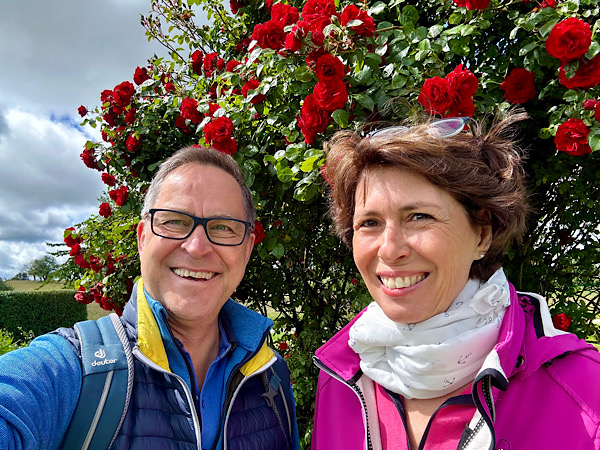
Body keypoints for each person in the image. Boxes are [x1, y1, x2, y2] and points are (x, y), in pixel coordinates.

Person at [311, 112, 600, 449]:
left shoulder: (582, 391)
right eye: (370, 223)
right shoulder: (342, 376)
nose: (389, 250)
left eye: (419, 217)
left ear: (481, 235)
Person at [0, 146, 300, 449]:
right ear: (143, 238)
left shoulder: (271, 376)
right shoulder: (73, 370)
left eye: (222, 227)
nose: (197, 247)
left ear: (246, 250)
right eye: (174, 221)